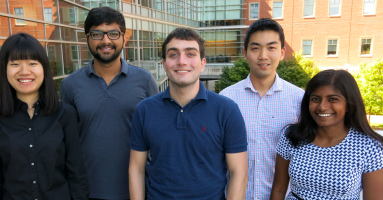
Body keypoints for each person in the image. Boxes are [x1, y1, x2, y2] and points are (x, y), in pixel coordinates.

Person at [129, 28, 248, 199]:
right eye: (173, 54)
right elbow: (136, 169)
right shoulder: (145, 110)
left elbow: (239, 173)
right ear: (164, 64)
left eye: (190, 54)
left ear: (202, 63)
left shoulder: (227, 110)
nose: (182, 61)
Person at [61, 7, 158, 200]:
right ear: (86, 38)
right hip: (86, 191)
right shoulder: (70, 85)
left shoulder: (145, 80)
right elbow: (65, 143)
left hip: (137, 190)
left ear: (124, 37)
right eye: (97, 34)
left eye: (113, 33)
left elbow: (156, 136)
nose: (106, 41)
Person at [0, 33, 89, 199]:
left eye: (32, 63)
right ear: (5, 69)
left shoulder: (65, 115)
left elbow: (77, 175)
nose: (24, 71)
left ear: (44, 68)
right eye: (15, 63)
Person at [220, 18, 304, 199]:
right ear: (245, 53)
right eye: (256, 48)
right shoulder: (226, 98)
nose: (263, 56)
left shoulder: (299, 99)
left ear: (282, 52)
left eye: (271, 48)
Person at [270, 69, 383, 199]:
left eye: (333, 99)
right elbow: (278, 190)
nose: (322, 107)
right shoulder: (291, 136)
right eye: (315, 99)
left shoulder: (370, 147)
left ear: (349, 104)